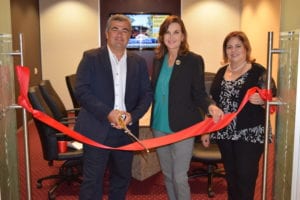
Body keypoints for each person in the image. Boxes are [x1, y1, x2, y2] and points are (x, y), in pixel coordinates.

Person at [74, 14, 153, 200]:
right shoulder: (91, 57)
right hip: (96, 129)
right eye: (115, 29)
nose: (119, 34)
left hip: (126, 133)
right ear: (107, 33)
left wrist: (132, 116)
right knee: (93, 181)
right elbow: (82, 91)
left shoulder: (138, 62)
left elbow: (147, 94)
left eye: (125, 30)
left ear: (130, 35)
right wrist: (107, 113)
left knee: (122, 179)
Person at [150, 15, 224, 200]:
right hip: (159, 126)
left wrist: (211, 107)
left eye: (176, 32)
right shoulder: (158, 59)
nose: (171, 36)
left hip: (183, 127)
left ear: (183, 36)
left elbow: (199, 93)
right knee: (167, 175)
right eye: (167, 32)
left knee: (179, 177)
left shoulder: (193, 60)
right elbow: (154, 91)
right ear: (162, 36)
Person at [202, 31, 277, 200]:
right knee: (232, 177)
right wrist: (206, 130)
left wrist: (262, 100)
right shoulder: (221, 72)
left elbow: (274, 98)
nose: (233, 50)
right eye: (229, 47)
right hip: (224, 133)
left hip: (250, 134)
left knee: (246, 179)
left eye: (238, 46)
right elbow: (213, 103)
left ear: (246, 48)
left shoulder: (259, 72)